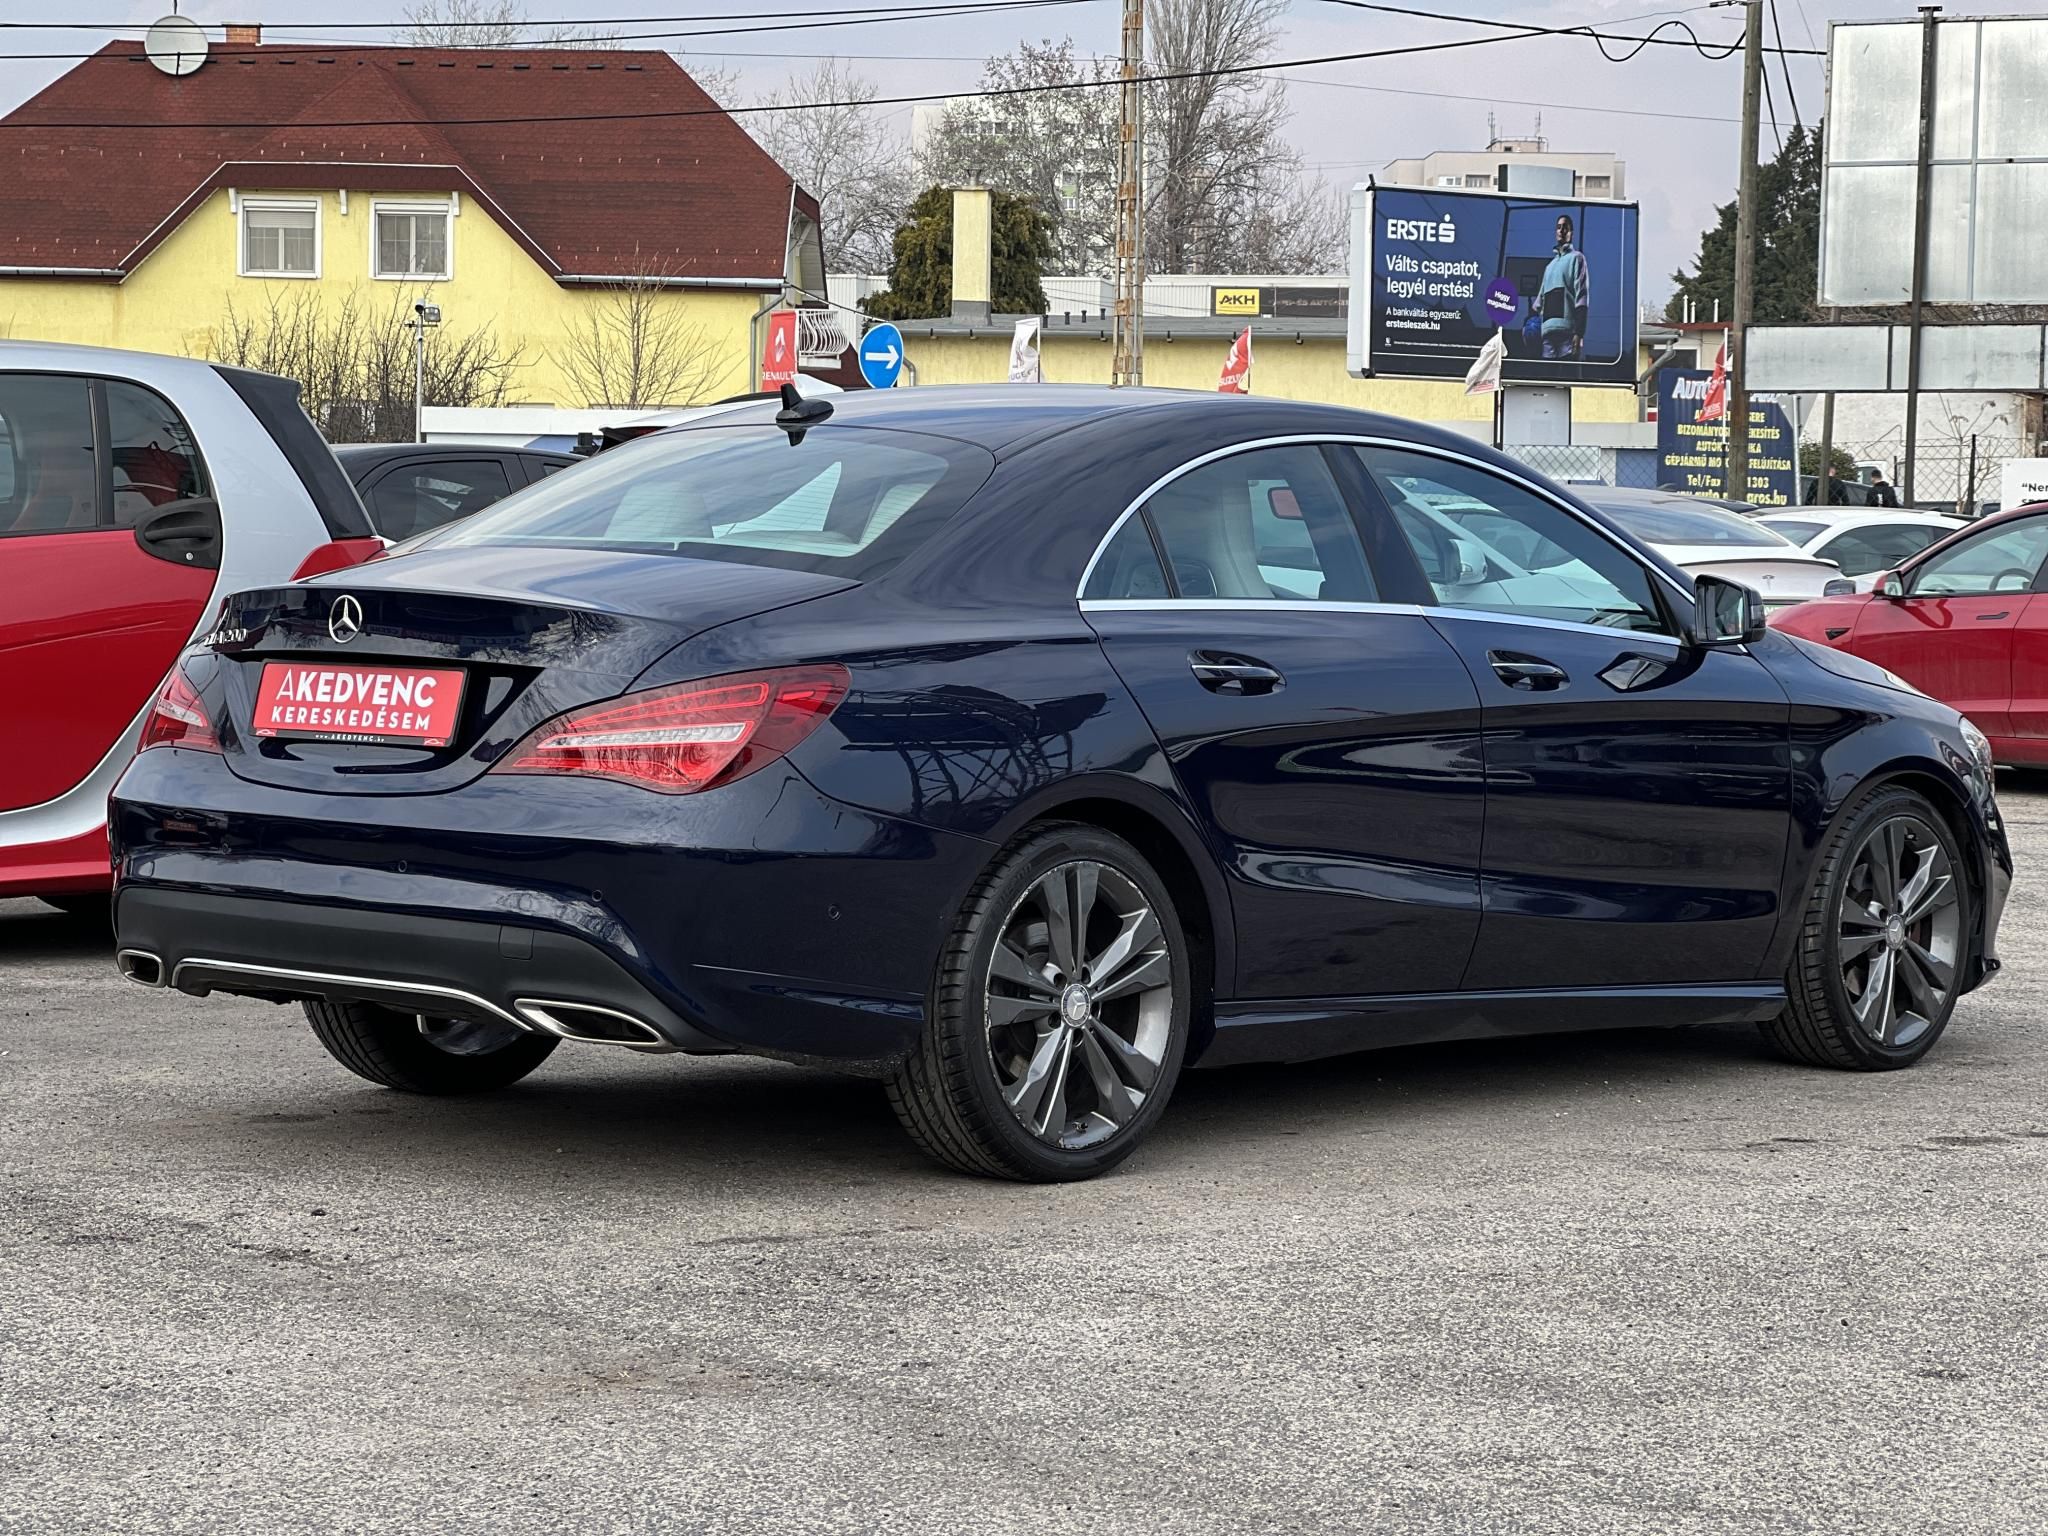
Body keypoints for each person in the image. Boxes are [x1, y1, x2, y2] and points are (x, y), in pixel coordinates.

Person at [1538, 214, 1589, 360]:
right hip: (1547, 331)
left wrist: (1579, 332)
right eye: (1559, 227)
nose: (1561, 231)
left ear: (1571, 233)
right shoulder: (1549, 266)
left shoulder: (1577, 258)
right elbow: (1540, 301)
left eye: (1565, 227)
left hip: (1566, 333)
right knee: (1548, 379)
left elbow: (1582, 298)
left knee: (1565, 375)